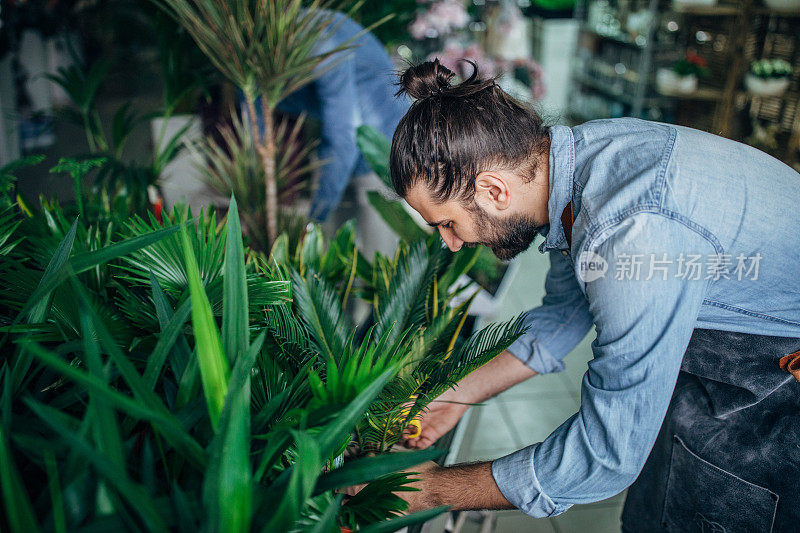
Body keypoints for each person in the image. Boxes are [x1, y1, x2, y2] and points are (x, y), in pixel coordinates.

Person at [388, 59, 800, 532]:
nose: (451, 243)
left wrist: (432, 490)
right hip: (701, 388)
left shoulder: (630, 232)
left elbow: (607, 454)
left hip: (769, 402)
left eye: (447, 222)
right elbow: (563, 318)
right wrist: (455, 396)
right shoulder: (574, 168)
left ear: (493, 190)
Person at [255, 11, 409, 224]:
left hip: (385, 150)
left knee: (374, 245)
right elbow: (256, 128)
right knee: (335, 238)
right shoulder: (251, 56)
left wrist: (313, 222)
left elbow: (343, 139)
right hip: (346, 149)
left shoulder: (320, 45)